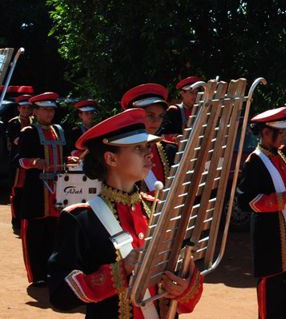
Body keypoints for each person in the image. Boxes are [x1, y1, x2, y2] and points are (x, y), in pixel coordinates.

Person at [48, 108, 203, 317]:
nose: (149, 153)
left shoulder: (160, 210)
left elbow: (188, 276)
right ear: (111, 159)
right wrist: (120, 272)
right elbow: (60, 295)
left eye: (148, 146)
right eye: (138, 148)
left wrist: (183, 288)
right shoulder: (80, 218)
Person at [237, 106, 286, 319]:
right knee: (272, 302)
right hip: (270, 244)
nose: (285, 135)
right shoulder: (254, 162)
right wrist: (278, 200)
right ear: (266, 133)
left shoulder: (285, 153)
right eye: (281, 131)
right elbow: (245, 200)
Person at [15, 92, 74, 285]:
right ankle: (37, 275)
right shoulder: (29, 133)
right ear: (36, 111)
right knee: (34, 234)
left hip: (59, 189)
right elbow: (19, 160)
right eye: (45, 109)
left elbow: (64, 155)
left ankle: (51, 272)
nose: (49, 113)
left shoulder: (60, 130)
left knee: (54, 234)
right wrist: (34, 162)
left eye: (52, 109)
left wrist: (69, 160)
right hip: (37, 191)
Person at [121, 83, 178, 193]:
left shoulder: (170, 149)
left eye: (160, 116)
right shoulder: (119, 151)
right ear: (133, 116)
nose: (156, 121)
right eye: (150, 115)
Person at [7, 87, 34, 234]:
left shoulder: (34, 122)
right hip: (17, 165)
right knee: (17, 194)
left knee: (29, 193)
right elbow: (15, 141)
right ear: (18, 108)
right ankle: (16, 222)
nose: (26, 110)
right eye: (23, 107)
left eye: (28, 107)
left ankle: (27, 221)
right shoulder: (14, 123)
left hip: (31, 163)